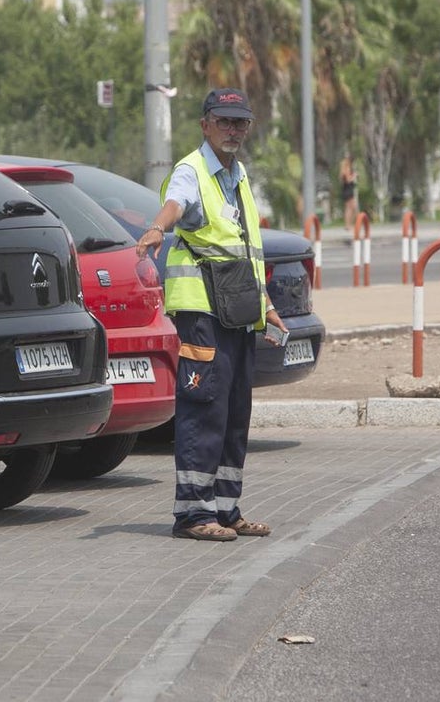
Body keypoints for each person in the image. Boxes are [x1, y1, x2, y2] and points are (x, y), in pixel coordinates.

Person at [134, 88, 286, 542]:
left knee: (235, 409)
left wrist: (270, 308)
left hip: (239, 311)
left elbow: (246, 252)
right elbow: (175, 205)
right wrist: (158, 227)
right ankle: (193, 514)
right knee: (205, 407)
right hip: (201, 310)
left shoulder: (238, 176)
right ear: (205, 125)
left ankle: (225, 507)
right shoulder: (191, 170)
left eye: (240, 122)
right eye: (224, 121)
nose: (233, 130)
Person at [340, 150, 358, 232]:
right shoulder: (346, 168)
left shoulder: (346, 167)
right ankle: (347, 225)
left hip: (348, 189)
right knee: (349, 207)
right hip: (347, 189)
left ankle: (349, 224)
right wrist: (354, 176)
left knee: (352, 207)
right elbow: (347, 180)